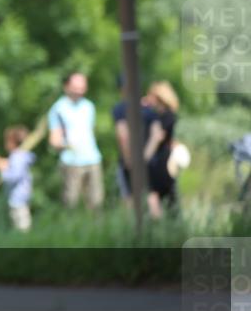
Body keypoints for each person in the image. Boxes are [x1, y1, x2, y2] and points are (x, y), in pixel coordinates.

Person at [47, 72, 104, 210]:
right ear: (67, 87)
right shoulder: (58, 109)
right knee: (71, 204)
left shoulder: (89, 106)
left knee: (96, 203)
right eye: (76, 88)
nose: (79, 91)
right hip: (71, 161)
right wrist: (65, 144)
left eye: (82, 88)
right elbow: (54, 139)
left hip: (92, 158)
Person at [111, 74, 156, 206]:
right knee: (152, 195)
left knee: (129, 198)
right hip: (150, 160)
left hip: (130, 160)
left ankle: (132, 221)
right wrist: (146, 156)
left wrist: (128, 159)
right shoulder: (149, 108)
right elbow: (156, 134)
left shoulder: (120, 109)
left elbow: (123, 135)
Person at [144, 81, 180, 219]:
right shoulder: (160, 115)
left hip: (162, 159)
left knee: (156, 192)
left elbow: (159, 137)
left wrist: (145, 156)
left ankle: (159, 220)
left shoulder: (166, 116)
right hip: (160, 158)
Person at [0, 125, 36, 232]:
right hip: (21, 196)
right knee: (19, 224)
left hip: (18, 197)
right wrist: (6, 164)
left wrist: (2, 169)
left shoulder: (17, 157)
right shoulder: (21, 156)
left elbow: (14, 176)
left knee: (22, 226)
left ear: (12, 142)